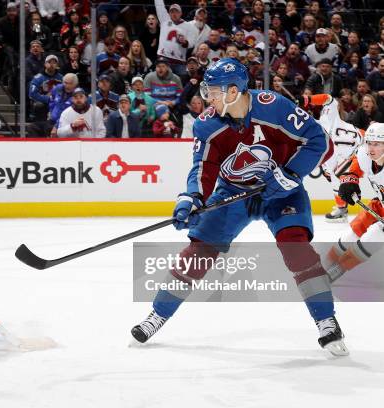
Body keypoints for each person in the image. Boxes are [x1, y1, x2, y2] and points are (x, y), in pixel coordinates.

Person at [130, 58, 349, 357]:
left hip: (281, 191)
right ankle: (158, 314)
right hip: (234, 193)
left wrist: (291, 174)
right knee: (199, 250)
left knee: (295, 246)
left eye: (215, 91)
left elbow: (321, 142)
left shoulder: (276, 107)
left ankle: (326, 320)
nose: (209, 97)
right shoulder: (207, 123)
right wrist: (191, 198)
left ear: (234, 90)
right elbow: (203, 167)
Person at [323, 123, 384, 283]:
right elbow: (350, 169)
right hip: (380, 205)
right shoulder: (365, 155)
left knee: (370, 239)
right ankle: (323, 265)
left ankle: (338, 270)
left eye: (376, 144)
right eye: (369, 143)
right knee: (351, 234)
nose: (371, 148)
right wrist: (349, 181)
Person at [305, 94, 364, 223]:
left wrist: (309, 99)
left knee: (336, 178)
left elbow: (328, 98)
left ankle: (342, 209)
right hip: (355, 149)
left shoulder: (327, 118)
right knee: (336, 179)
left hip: (359, 147)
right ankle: (342, 209)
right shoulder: (323, 126)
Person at [154, 1, 196, 76]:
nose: (174, 14)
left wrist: (185, 42)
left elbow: (192, 43)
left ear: (181, 13)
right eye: (172, 12)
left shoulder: (188, 26)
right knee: (164, 81)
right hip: (164, 58)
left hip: (179, 61)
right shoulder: (165, 20)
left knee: (181, 81)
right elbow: (159, 6)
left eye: (176, 11)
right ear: (169, 13)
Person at [28, 54, 63, 121]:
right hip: (43, 102)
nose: (52, 64)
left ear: (57, 65)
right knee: (39, 105)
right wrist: (48, 99)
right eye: (49, 62)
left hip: (57, 101)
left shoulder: (61, 78)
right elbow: (32, 94)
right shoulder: (38, 78)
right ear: (45, 64)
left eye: (54, 62)